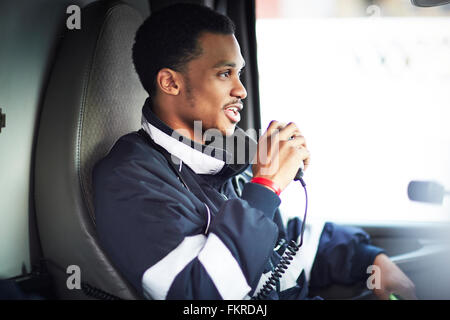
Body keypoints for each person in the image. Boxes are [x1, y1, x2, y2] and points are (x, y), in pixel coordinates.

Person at [93, 3, 416, 300]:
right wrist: (265, 188)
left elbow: (290, 239)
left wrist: (370, 260)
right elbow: (198, 297)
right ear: (170, 83)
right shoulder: (130, 180)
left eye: (240, 73)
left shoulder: (224, 158)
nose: (241, 90)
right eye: (224, 73)